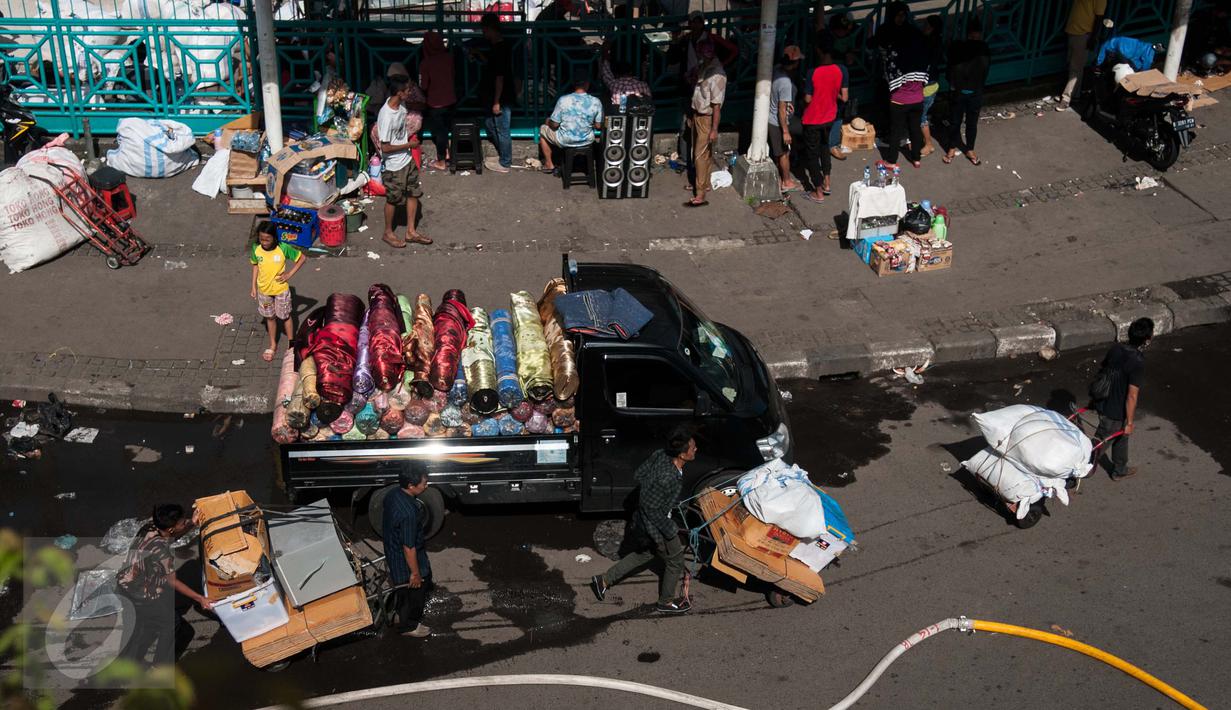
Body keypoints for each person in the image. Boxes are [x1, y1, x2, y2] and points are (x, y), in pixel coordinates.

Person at [590, 428, 698, 614]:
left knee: (646, 555)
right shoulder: (668, 477)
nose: (696, 449)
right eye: (693, 447)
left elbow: (639, 474)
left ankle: (604, 580)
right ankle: (666, 602)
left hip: (650, 519)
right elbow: (652, 511)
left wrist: (655, 493)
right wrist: (666, 531)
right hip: (658, 526)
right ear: (682, 454)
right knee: (675, 562)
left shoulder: (660, 455)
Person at [117, 504, 213, 664]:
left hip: (126, 584)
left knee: (141, 631)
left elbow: (171, 535)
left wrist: (191, 523)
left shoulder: (150, 527)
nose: (186, 522)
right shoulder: (162, 552)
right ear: (170, 529)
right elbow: (173, 581)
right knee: (178, 627)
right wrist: (200, 598)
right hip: (141, 594)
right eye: (182, 522)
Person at [1093, 317, 1152, 481]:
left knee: (1121, 437)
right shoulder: (1137, 362)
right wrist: (1130, 422)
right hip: (1114, 409)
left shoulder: (1116, 349)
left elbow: (1104, 369)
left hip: (1103, 398)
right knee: (1100, 443)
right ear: (1147, 339)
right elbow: (1132, 396)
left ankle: (1120, 469)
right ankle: (1074, 471)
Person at [376, 76, 431, 248]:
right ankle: (387, 232)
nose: (410, 92)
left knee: (414, 192)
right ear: (399, 93)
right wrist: (409, 144)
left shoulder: (401, 105)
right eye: (407, 90)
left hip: (407, 159)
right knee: (393, 199)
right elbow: (384, 148)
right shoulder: (386, 116)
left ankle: (411, 231)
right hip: (394, 165)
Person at [382, 467, 434, 637]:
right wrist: (415, 573)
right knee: (417, 589)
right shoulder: (409, 513)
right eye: (424, 483)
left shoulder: (393, 494)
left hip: (392, 549)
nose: (426, 486)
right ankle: (409, 626)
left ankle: (399, 614)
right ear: (411, 486)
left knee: (402, 590)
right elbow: (409, 546)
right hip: (405, 558)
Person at [877, 2, 929, 168]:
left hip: (899, 100)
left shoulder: (895, 58)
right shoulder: (919, 57)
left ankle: (891, 160)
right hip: (917, 99)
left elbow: (889, 75)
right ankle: (916, 158)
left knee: (896, 131)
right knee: (914, 128)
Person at [250, 221, 304, 362]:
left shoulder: (283, 248)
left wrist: (288, 274)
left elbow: (302, 258)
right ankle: (273, 344)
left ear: (274, 237)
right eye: (262, 239)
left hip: (281, 290)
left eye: (267, 239)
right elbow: (255, 266)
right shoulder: (256, 248)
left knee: (285, 316)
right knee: (270, 317)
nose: (264, 242)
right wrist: (253, 286)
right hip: (264, 290)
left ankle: (291, 343)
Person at [800, 38, 844, 204]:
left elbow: (808, 98)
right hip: (830, 116)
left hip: (813, 119)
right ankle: (827, 182)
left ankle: (817, 190)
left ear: (819, 51)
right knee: (825, 148)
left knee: (812, 156)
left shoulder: (814, 72)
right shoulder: (838, 70)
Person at [684, 40, 726, 208]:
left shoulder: (717, 75)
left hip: (706, 118)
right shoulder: (704, 68)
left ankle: (700, 193)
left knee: (700, 156)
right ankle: (702, 183)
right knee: (703, 153)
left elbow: (716, 106)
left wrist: (714, 129)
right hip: (698, 115)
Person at [944, 18, 991, 166]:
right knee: (965, 122)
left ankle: (959, 148)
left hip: (964, 92)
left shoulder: (961, 48)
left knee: (960, 122)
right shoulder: (982, 48)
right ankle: (964, 148)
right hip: (971, 92)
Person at [473, 13, 516, 173]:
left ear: (490, 29)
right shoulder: (498, 47)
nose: (483, 33)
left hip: (500, 97)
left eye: (484, 30)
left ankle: (505, 162)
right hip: (496, 95)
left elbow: (500, 77)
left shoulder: (500, 48)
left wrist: (497, 101)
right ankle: (504, 156)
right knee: (492, 125)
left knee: (501, 128)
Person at [537, 75, 603, 173]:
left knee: (543, 128)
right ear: (587, 84)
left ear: (573, 84)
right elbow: (598, 126)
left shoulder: (563, 100)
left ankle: (549, 164)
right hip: (587, 140)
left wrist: (548, 121)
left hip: (565, 140)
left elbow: (554, 125)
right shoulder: (596, 101)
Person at [1057, 0, 1107, 111]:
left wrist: (1093, 38)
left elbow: (1099, 18)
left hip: (1083, 34)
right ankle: (1075, 96)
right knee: (1072, 65)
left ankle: (1067, 98)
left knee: (1075, 68)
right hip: (1073, 31)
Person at [420, 32, 457, 172]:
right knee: (447, 129)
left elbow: (423, 85)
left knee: (440, 132)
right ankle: (447, 152)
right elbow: (453, 76)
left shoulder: (426, 62)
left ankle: (441, 161)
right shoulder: (449, 58)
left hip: (435, 103)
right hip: (451, 100)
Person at [769, 46, 803, 193]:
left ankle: (782, 177)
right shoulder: (785, 84)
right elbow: (781, 110)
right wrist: (785, 131)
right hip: (777, 123)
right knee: (783, 153)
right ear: (795, 63)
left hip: (773, 119)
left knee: (781, 152)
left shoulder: (777, 69)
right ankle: (787, 182)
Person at [918, 15, 944, 158]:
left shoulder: (930, 44)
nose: (923, 27)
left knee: (921, 117)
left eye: (926, 25)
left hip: (927, 86)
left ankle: (928, 144)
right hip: (931, 84)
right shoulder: (937, 42)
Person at [600, 41, 652, 107]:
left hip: (620, 114)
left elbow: (606, 71)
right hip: (638, 115)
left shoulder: (614, 84)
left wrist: (605, 51)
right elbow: (649, 101)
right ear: (631, 72)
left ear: (617, 74)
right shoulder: (643, 85)